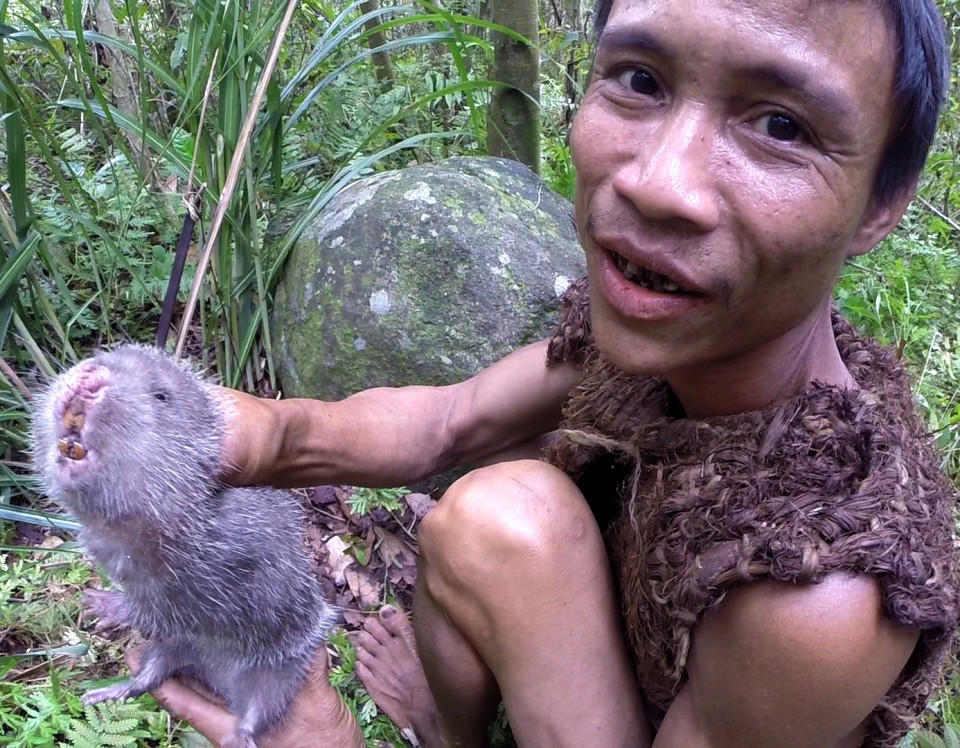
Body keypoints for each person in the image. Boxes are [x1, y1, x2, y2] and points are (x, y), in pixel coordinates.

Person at [137, 0, 959, 746]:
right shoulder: (684, 330)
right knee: (504, 495)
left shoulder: (821, 589)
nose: (656, 182)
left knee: (512, 499)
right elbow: (450, 421)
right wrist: (240, 430)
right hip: (635, 641)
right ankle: (453, 729)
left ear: (881, 203)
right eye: (640, 79)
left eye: (781, 127)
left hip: (714, 705)